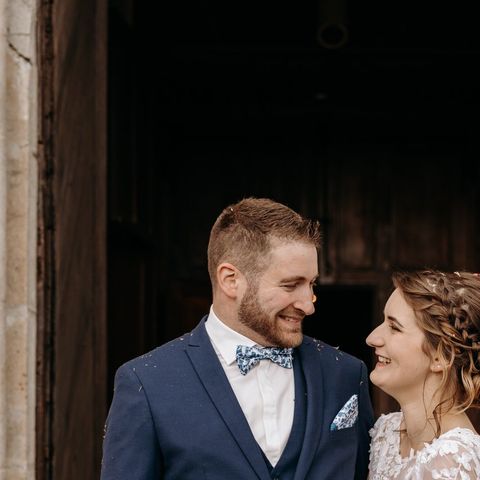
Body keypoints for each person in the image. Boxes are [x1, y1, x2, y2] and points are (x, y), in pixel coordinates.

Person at [101, 197, 375, 480]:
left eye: (311, 284)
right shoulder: (145, 384)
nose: (308, 305)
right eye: (291, 285)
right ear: (230, 280)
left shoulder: (345, 374)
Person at [366, 269, 480, 480]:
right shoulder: (386, 433)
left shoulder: (456, 463)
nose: (372, 338)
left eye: (394, 327)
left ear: (440, 356)